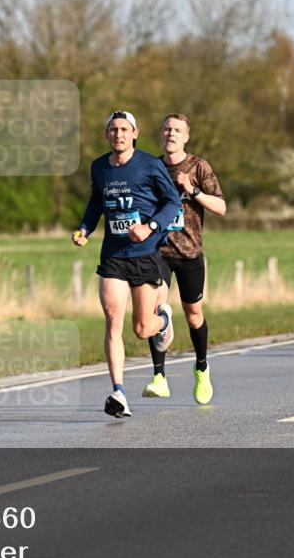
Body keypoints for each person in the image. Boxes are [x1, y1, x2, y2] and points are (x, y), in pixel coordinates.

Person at [73, 110, 182, 418]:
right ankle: (118, 392)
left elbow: (172, 201)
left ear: (135, 133)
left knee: (142, 328)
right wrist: (85, 228)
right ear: (106, 135)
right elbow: (96, 202)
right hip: (113, 257)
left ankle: (164, 320)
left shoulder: (150, 165)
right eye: (113, 129)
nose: (118, 134)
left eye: (124, 129)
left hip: (146, 254)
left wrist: (150, 227)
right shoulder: (99, 167)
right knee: (112, 319)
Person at [142, 114, 226, 405]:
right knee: (156, 308)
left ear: (186, 136)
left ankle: (202, 367)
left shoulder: (198, 166)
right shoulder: (151, 167)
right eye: (167, 129)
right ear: (161, 134)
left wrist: (193, 190)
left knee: (194, 315)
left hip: (190, 254)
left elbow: (221, 207)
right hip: (159, 250)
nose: (171, 134)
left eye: (177, 130)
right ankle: (159, 377)